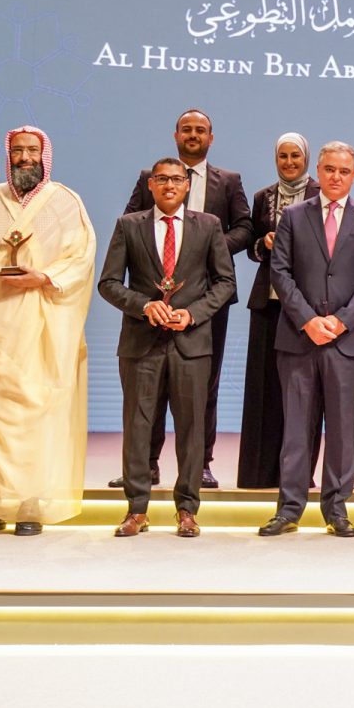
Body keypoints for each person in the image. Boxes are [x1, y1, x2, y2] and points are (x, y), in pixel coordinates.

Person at [0, 126, 96, 536]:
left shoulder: (65, 201)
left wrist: (42, 276)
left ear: (44, 156)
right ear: (7, 157)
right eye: (18, 151)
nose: (25, 158)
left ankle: (30, 507)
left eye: (32, 151)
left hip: (40, 330)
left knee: (35, 416)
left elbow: (81, 258)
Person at [113, 108, 251, 490]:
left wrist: (205, 248)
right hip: (153, 298)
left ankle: (201, 465)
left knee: (204, 383)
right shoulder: (151, 177)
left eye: (200, 130)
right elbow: (132, 220)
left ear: (211, 137)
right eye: (186, 129)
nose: (193, 134)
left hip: (208, 298)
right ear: (176, 135)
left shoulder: (229, 181)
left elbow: (245, 227)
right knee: (148, 384)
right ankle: (146, 464)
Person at [99, 158, 237, 538]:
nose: (169, 185)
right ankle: (136, 510)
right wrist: (144, 306)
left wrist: (193, 314)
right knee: (138, 427)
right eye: (162, 179)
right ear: (151, 185)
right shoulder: (129, 225)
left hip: (191, 344)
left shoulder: (208, 226)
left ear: (187, 185)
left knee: (191, 428)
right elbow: (109, 283)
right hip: (140, 344)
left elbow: (225, 283)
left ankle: (187, 510)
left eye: (177, 179)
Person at [258, 141, 354, 538]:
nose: (336, 177)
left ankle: (337, 509)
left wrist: (342, 321)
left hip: (347, 343)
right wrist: (308, 320)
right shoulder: (294, 216)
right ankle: (289, 509)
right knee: (296, 429)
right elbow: (280, 272)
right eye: (329, 169)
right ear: (318, 170)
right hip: (299, 339)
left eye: (344, 171)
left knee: (342, 430)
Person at [238, 132, 322, 489]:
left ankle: (299, 474)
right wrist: (264, 242)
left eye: (295, 156)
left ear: (306, 158)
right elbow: (251, 248)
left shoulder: (321, 194)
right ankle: (260, 473)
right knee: (264, 390)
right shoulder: (263, 197)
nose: (289, 162)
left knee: (304, 393)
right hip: (268, 303)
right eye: (283, 156)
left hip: (306, 307)